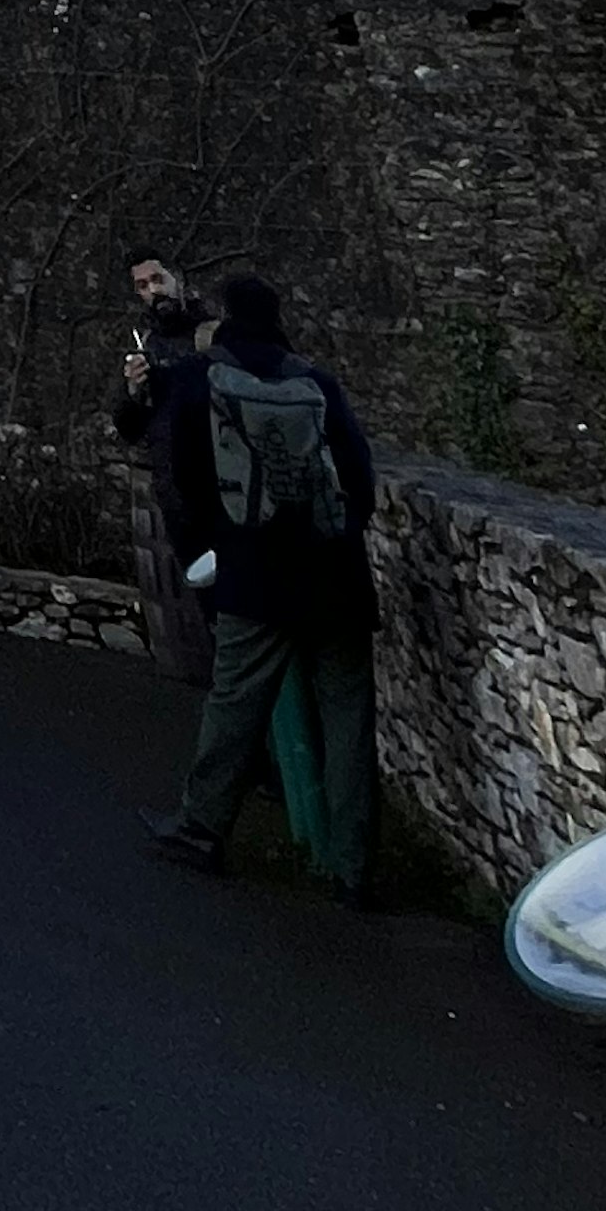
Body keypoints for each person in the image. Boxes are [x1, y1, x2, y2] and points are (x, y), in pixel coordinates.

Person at [140, 269, 381, 903]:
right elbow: (360, 478)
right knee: (348, 718)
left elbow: (187, 477)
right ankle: (353, 867)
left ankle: (200, 829)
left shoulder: (203, 377)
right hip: (336, 573)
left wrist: (227, 541)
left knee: (235, 701)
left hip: (254, 570)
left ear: (223, 317)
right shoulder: (315, 381)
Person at [111, 261, 212, 684]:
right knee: (206, 599)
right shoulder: (146, 344)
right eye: (142, 286)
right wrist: (134, 391)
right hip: (176, 489)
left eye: (159, 280)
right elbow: (128, 427)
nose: (153, 290)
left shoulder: (210, 334)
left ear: (179, 280)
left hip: (220, 483)